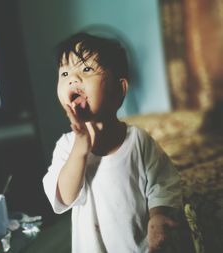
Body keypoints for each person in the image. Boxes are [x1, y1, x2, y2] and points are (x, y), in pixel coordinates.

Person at [43, 32, 182, 253]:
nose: (73, 78)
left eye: (86, 69)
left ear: (120, 89)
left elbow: (163, 183)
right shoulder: (67, 146)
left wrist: (158, 215)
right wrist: (80, 146)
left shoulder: (138, 141)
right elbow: (64, 197)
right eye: (65, 72)